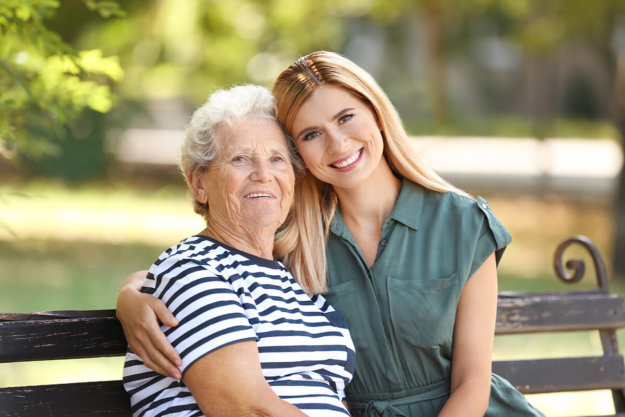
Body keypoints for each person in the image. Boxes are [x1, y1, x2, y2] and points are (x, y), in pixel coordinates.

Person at [117, 52, 544, 417]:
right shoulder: (290, 235)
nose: (338, 144)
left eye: (345, 118)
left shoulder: (462, 222)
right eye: (311, 134)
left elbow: (473, 381)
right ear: (298, 152)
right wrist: (131, 297)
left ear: (376, 112)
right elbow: (200, 270)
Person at [121, 84, 355, 417]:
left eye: (277, 159)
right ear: (199, 184)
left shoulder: (294, 285)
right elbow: (246, 409)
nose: (263, 175)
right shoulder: (193, 272)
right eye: (240, 159)